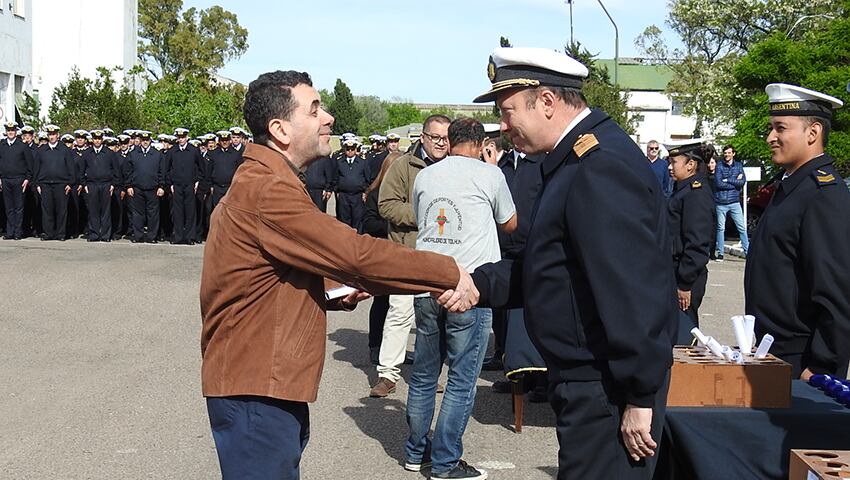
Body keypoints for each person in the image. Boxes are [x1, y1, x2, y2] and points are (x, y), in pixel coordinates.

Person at [200, 70, 477, 479]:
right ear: (280, 129)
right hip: (255, 388)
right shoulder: (267, 189)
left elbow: (270, 273)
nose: (328, 117)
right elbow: (356, 254)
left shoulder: (269, 180)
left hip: (260, 383)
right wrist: (448, 271)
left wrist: (331, 289)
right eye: (314, 110)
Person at [466, 47, 676, 479]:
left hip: (606, 388)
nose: (502, 128)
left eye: (507, 112)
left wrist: (640, 395)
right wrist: (476, 284)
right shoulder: (569, 162)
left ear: (546, 101)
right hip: (587, 380)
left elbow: (634, 290)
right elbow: (555, 268)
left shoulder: (598, 167)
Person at [405, 118, 517, 480]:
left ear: (450, 141)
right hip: (469, 288)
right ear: (482, 142)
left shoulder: (426, 175)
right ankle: (446, 462)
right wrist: (493, 169)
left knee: (423, 375)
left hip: (427, 284)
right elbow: (511, 223)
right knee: (461, 379)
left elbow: (419, 213)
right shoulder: (489, 175)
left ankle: (415, 452)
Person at [745, 83, 850, 380]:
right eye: (771, 128)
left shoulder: (822, 195)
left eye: (780, 128)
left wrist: (821, 367)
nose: (770, 138)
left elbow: (837, 292)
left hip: (801, 360)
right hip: (774, 351)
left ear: (813, 133)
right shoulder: (792, 186)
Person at [371, 114, 451, 398]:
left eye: (446, 138)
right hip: (408, 252)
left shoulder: (454, 167)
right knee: (400, 313)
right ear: (423, 137)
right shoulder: (403, 166)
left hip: (443, 255)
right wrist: (426, 214)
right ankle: (388, 373)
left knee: (434, 319)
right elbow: (387, 205)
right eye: (436, 137)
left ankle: (430, 373)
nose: (442, 143)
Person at [665, 140, 716, 343]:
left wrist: (685, 283)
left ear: (690, 164)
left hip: (685, 274)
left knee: (684, 334)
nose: (670, 167)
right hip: (675, 270)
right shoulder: (683, 190)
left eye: (674, 162)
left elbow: (697, 242)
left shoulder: (696, 194)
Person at [361, 151, 401, 364]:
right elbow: (369, 223)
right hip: (383, 252)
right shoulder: (376, 193)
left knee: (401, 306)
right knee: (382, 301)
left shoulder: (404, 193)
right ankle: (375, 344)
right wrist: (394, 225)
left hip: (401, 253)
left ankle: (395, 348)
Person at [33, 124, 75, 241]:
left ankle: (61, 234)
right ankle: (48, 233)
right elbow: (36, 168)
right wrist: (37, 183)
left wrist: (70, 183)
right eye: (50, 134)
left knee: (61, 210)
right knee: (47, 210)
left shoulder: (65, 150)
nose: (51, 137)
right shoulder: (42, 150)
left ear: (58, 135)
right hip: (45, 184)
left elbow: (71, 168)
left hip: (61, 184)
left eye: (53, 134)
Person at [165, 128, 205, 245]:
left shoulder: (193, 150)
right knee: (177, 212)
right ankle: (178, 236)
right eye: (179, 137)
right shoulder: (172, 151)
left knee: (190, 212)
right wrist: (170, 184)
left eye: (183, 137)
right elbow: (167, 169)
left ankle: (189, 237)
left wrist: (197, 182)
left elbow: (201, 168)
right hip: (176, 185)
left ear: (187, 137)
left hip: (190, 185)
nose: (181, 140)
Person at [124, 131, 165, 243]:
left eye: (147, 140)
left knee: (153, 214)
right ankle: (138, 236)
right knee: (138, 214)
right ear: (140, 141)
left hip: (153, 188)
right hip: (137, 188)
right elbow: (128, 171)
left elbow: (162, 172)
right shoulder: (133, 154)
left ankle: (152, 237)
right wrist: (129, 186)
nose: (145, 142)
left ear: (150, 141)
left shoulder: (157, 154)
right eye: (143, 140)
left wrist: (161, 186)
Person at [81, 129, 120, 242]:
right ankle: (94, 234)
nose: (97, 141)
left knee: (105, 211)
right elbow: (81, 170)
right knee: (93, 210)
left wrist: (113, 185)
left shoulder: (109, 153)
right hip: (92, 184)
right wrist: (84, 184)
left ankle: (105, 235)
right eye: (95, 139)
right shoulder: (87, 153)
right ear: (92, 140)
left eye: (99, 139)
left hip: (106, 184)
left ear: (102, 140)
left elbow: (116, 171)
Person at [713, 144, 748, 261]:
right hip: (721, 202)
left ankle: (747, 251)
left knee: (742, 228)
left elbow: (742, 182)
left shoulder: (739, 166)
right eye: (725, 153)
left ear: (733, 154)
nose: (727, 155)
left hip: (734, 202)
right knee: (720, 228)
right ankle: (721, 253)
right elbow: (718, 183)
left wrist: (727, 180)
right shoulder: (719, 166)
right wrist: (734, 183)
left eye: (729, 153)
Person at [0, 121, 34, 239]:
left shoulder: (22, 145)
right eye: (8, 130)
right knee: (8, 207)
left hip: (19, 179)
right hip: (5, 179)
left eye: (12, 130)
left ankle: (18, 232)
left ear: (16, 132)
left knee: (19, 207)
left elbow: (30, 164)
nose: (10, 132)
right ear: (6, 132)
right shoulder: (2, 145)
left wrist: (27, 179)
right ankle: (10, 232)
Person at [333, 138, 370, 230]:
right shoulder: (340, 162)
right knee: (344, 220)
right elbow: (335, 177)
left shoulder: (362, 162)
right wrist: (337, 191)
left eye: (352, 149)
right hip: (344, 195)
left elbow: (367, 178)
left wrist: (365, 191)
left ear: (355, 149)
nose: (350, 151)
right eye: (348, 149)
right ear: (345, 149)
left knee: (358, 219)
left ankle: (357, 241)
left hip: (357, 195)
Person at [207, 130, 243, 213]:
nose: (224, 142)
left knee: (229, 210)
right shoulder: (213, 154)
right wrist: (211, 185)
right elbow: (209, 171)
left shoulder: (236, 154)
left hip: (230, 187)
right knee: (217, 210)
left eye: (226, 140)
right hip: (217, 187)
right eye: (222, 140)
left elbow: (239, 171)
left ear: (229, 141)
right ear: (219, 141)